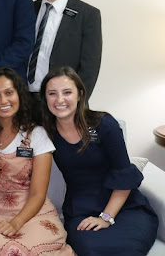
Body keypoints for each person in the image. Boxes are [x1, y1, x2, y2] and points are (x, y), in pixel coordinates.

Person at [41, 67, 158, 256]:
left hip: (124, 208)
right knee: (91, 250)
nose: (60, 99)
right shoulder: (45, 132)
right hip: (81, 210)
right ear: (45, 98)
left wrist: (106, 218)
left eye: (67, 92)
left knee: (128, 250)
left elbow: (124, 175)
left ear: (80, 95)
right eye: (52, 93)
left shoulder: (104, 124)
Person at [0, 67, 73, 255]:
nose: (3, 101)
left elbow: (38, 194)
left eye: (9, 93)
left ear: (19, 95)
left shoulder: (36, 134)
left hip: (34, 214)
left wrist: (16, 223)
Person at [28, 0, 102, 106]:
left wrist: (76, 102)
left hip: (63, 103)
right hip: (27, 100)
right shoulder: (28, 9)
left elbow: (90, 67)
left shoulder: (87, 14)